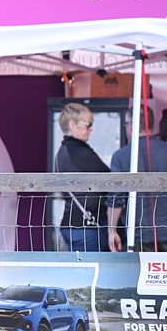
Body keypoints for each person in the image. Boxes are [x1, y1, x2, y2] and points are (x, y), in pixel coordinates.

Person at [108, 106, 167, 252]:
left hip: (137, 234)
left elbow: (116, 198)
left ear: (131, 126)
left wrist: (111, 231)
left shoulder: (121, 156)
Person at [53, 103, 109, 252]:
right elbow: (111, 180)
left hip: (75, 223)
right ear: (72, 125)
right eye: (88, 125)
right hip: (86, 226)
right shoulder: (78, 153)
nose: (91, 129)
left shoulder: (64, 152)